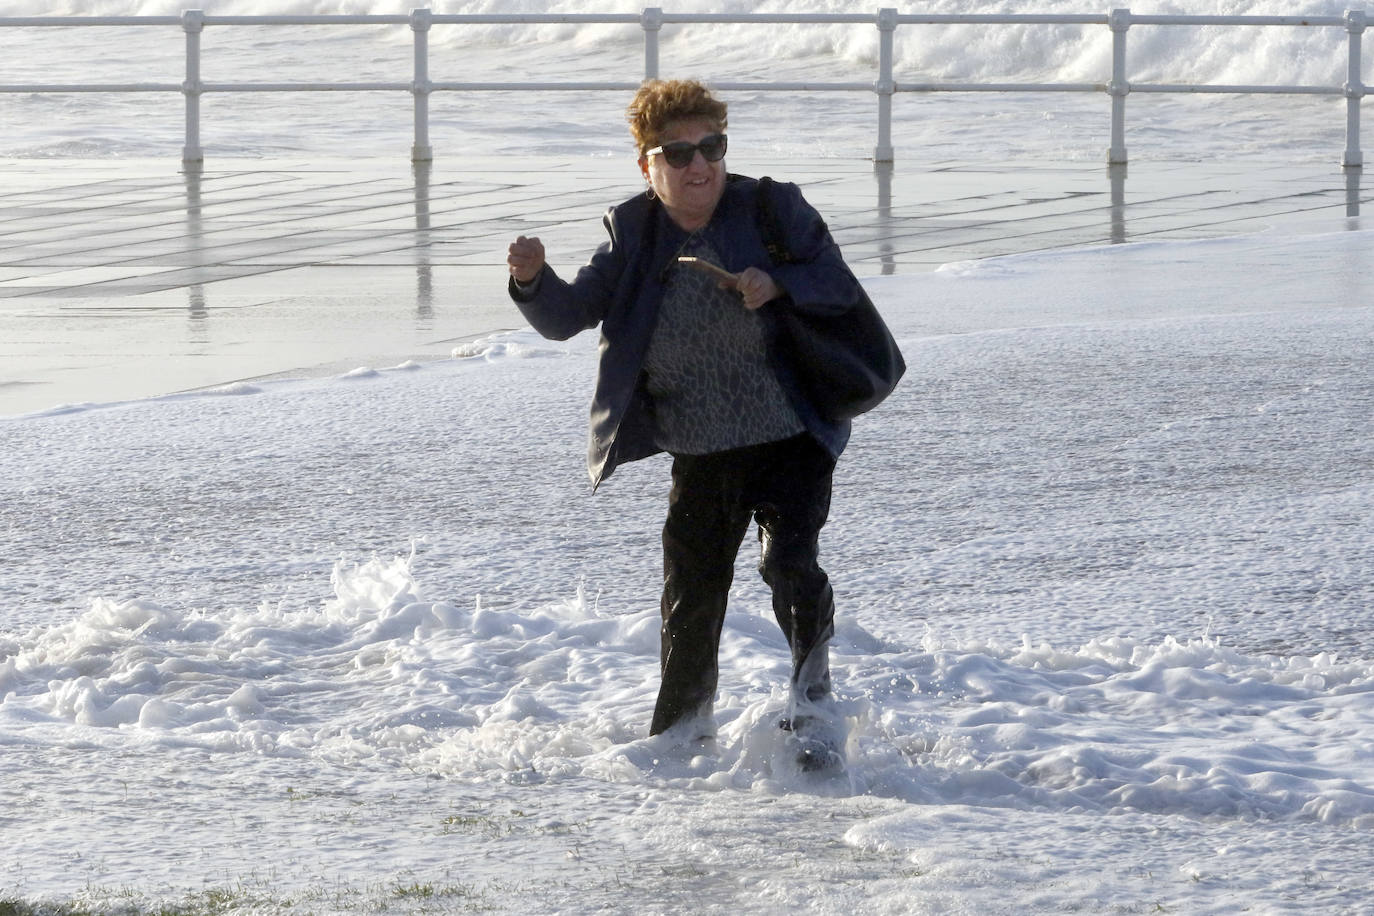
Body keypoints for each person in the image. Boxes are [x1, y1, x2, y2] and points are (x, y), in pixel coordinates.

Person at [506, 79, 863, 765]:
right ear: (648, 165)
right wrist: (532, 279)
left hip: (792, 432)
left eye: (711, 147)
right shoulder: (635, 231)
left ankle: (812, 708)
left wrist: (777, 282)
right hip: (701, 450)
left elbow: (836, 280)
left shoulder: (769, 207)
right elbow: (569, 315)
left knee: (789, 565)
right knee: (692, 592)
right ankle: (679, 734)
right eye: (677, 153)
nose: (698, 165)